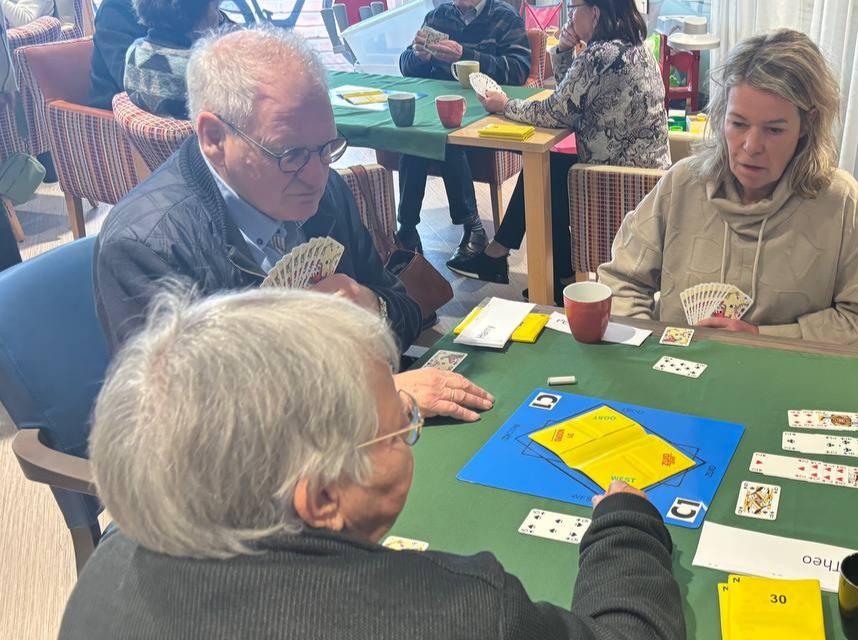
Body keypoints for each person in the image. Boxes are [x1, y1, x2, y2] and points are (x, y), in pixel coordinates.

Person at [58, 288, 686, 640]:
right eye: (399, 427)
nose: (412, 430)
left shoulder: (109, 562)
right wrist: (625, 525)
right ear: (322, 499)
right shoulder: (463, 613)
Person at [94, 27, 488, 419]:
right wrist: (374, 396)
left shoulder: (325, 191)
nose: (317, 174)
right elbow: (192, 428)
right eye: (291, 154)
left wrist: (372, 305)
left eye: (327, 148)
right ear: (214, 138)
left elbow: (405, 309)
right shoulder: (147, 247)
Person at [596, 29, 858, 347]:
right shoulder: (682, 183)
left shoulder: (839, 201)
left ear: (807, 124)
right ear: (721, 115)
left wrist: (763, 338)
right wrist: (649, 351)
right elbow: (621, 280)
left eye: (774, 129)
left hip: (787, 387)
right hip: (679, 383)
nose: (751, 146)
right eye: (738, 123)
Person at [450, 0, 670, 302]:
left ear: (594, 13)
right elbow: (575, 92)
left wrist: (504, 105)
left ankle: (505, 256)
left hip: (618, 180)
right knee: (551, 167)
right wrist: (566, 49)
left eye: (574, 8)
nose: (570, 15)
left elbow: (555, 111)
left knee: (550, 173)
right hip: (646, 177)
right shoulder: (634, 46)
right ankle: (551, 271)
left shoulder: (600, 54)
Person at [395, 0, 530, 261]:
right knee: (416, 137)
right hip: (436, 112)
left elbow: (518, 71)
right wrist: (418, 56)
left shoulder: (505, 17)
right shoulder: (437, 17)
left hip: (485, 111)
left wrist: (465, 56)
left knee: (446, 139)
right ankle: (408, 229)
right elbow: (405, 66)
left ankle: (473, 227)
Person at [87, 0, 230, 109]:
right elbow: (133, 78)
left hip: (177, 111)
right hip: (120, 122)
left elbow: (225, 29)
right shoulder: (114, 9)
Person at [123, 0, 223, 118]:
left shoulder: (134, 51)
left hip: (140, 135)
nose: (221, 17)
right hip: (197, 134)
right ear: (194, 13)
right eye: (216, 8)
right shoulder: (200, 67)